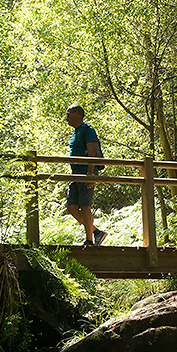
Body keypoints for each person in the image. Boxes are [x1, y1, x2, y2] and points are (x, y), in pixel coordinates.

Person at [65, 104, 107, 246]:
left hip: (85, 172)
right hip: (75, 174)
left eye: (68, 113)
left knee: (85, 206)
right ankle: (96, 232)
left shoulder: (88, 130)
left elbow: (92, 152)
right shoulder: (75, 132)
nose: (66, 118)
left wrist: (90, 174)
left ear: (77, 114)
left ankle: (89, 240)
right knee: (71, 207)